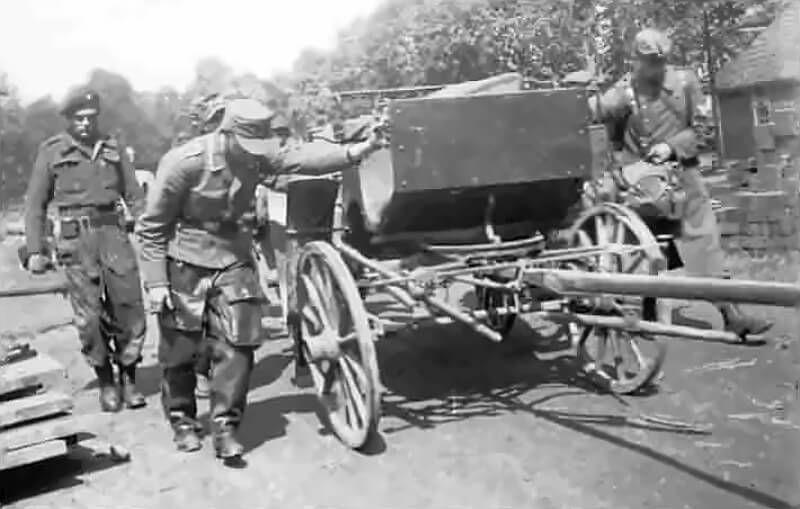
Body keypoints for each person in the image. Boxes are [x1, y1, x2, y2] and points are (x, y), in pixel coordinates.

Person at [135, 98, 384, 459]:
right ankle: (183, 421)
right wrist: (157, 284)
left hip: (234, 257)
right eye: (248, 145)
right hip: (185, 259)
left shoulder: (257, 157)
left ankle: (225, 427)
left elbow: (302, 159)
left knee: (238, 346)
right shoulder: (183, 163)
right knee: (181, 351)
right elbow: (152, 228)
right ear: (226, 133)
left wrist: (359, 150)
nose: (255, 154)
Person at [589, 28, 772, 340]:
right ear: (636, 60)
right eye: (648, 63)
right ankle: (641, 308)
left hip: (685, 181)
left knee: (705, 245)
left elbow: (702, 129)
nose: (655, 69)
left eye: (660, 62)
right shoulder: (623, 93)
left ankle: (732, 315)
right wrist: (583, 93)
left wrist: (671, 146)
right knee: (638, 242)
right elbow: (597, 118)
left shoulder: (686, 84)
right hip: (642, 186)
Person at [23, 87, 147, 412]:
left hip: (113, 233)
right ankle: (105, 379)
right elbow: (35, 204)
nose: (85, 124)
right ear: (68, 120)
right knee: (89, 319)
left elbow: (134, 194)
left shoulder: (112, 147)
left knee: (129, 309)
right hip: (75, 240)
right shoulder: (52, 151)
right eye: (78, 119)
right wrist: (35, 249)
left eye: (90, 118)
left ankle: (129, 378)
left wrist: (150, 226)